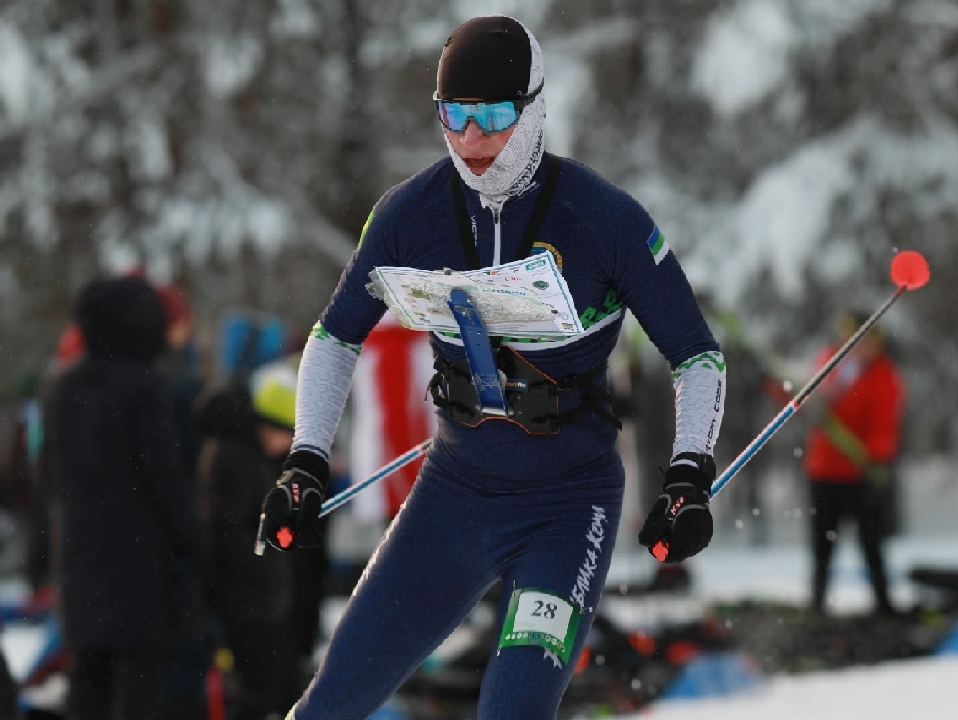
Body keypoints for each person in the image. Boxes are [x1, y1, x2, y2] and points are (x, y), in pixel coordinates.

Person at [258, 16, 727, 720]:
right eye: (455, 116)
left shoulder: (605, 219)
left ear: (534, 109)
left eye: (495, 117)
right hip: (454, 495)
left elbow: (696, 355)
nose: (472, 141)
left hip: (567, 506)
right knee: (329, 705)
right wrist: (305, 461)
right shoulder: (409, 213)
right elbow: (334, 337)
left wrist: (689, 473)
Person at [41, 276, 204, 720]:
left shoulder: (61, 387)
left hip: (79, 559)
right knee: (140, 691)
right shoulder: (145, 385)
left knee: (88, 683)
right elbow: (164, 476)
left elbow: (49, 476)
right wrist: (192, 539)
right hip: (140, 563)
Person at [196, 361, 302, 719]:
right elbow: (231, 531)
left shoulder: (249, 455)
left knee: (271, 689)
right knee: (257, 692)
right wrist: (268, 562)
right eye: (288, 433)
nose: (288, 444)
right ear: (268, 425)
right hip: (245, 601)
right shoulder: (236, 457)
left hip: (256, 599)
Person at [803, 310, 905, 616]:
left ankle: (883, 604)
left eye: (867, 340)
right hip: (824, 472)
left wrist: (874, 457)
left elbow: (885, 425)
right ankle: (818, 604)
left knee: (871, 544)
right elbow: (807, 401)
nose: (861, 347)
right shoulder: (829, 363)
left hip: (863, 474)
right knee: (822, 545)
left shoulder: (884, 375)